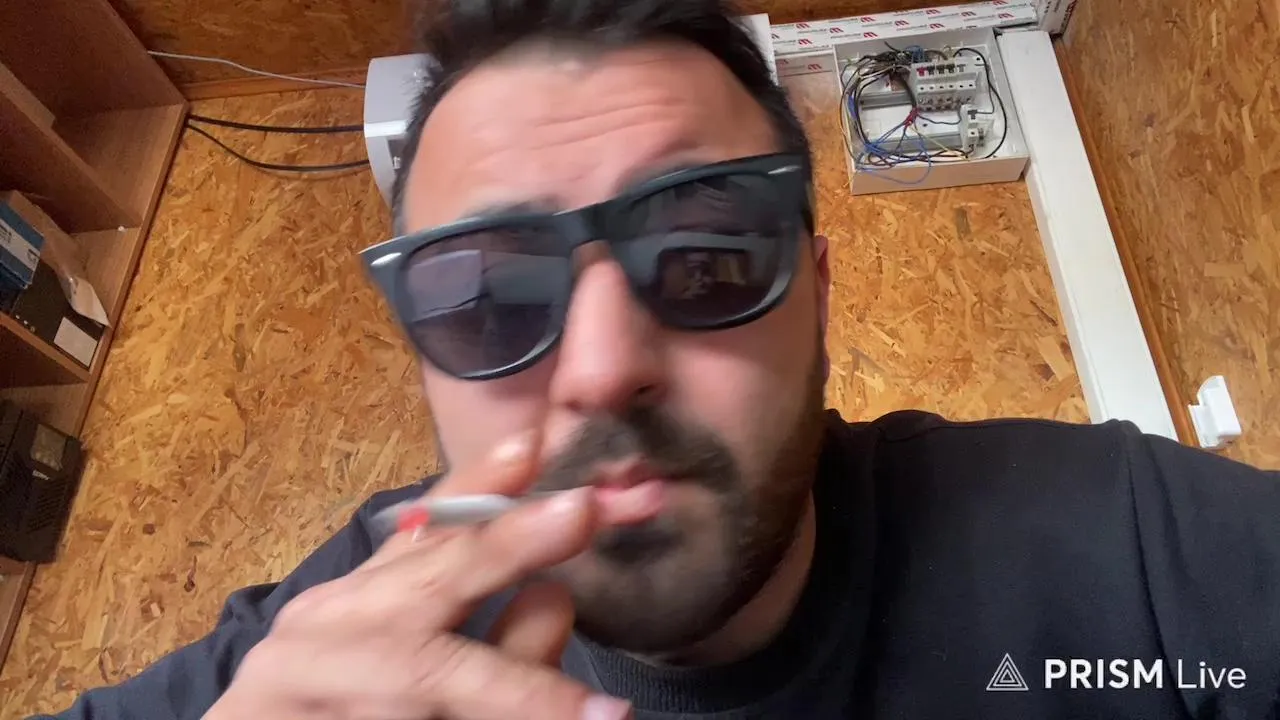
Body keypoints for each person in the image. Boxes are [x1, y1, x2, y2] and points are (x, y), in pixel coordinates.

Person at [33, 0, 1280, 718]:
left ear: (817, 294)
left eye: (703, 258)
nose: (599, 369)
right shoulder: (317, 656)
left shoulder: (1125, 556)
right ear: (421, 360)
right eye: (487, 296)